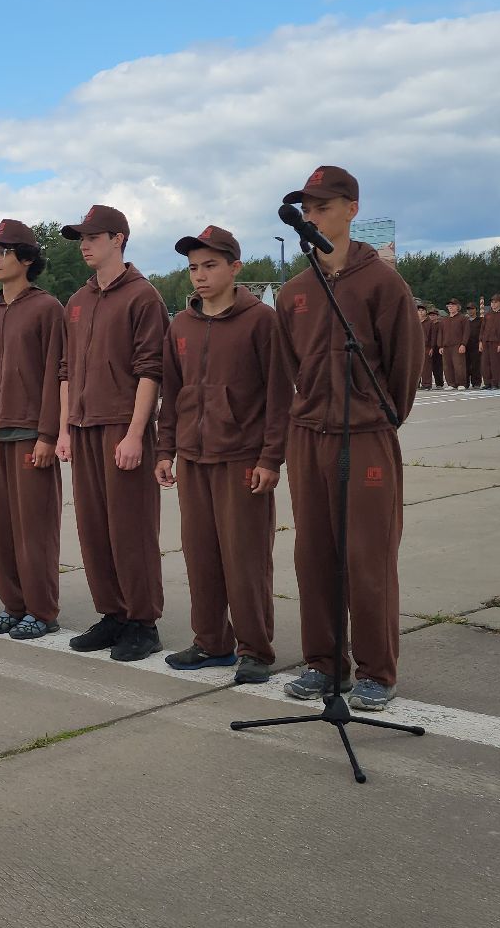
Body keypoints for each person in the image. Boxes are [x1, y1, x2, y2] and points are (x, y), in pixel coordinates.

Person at [274, 166, 423, 711]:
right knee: (314, 554)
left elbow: (404, 366)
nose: (312, 216)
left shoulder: (383, 283)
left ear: (351, 209)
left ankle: (376, 670)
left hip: (364, 434)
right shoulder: (294, 292)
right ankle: (324, 662)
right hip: (309, 435)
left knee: (368, 555)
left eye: (323, 206)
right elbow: (290, 367)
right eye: (306, 209)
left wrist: (374, 417)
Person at [155, 227, 292, 685]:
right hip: (193, 460)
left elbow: (279, 396)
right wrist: (165, 449)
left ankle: (255, 649)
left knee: (245, 560)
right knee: (201, 556)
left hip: (242, 460)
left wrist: (271, 458)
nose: (200, 275)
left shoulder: (261, 322)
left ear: (235, 268)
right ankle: (212, 642)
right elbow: (172, 394)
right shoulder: (181, 325)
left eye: (210, 265)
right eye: (193, 267)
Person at [57, 205, 167, 661]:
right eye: (81, 238)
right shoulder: (77, 302)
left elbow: (150, 370)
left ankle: (143, 621)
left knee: (130, 529)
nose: (84, 245)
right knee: (93, 529)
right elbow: (66, 371)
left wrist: (136, 434)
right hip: (83, 428)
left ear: (118, 239)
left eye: (93, 237)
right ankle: (113, 614)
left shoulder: (143, 297)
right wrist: (64, 428)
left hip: (121, 427)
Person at [0, 219, 66, 641]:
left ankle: (41, 610)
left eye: (3, 252)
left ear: (26, 258)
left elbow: (55, 373)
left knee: (34, 529)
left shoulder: (47, 309)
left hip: (30, 435)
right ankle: (14, 606)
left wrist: (48, 434)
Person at [440, 299, 472, 390]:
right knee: (447, 366)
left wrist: (463, 344)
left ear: (458, 307)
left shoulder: (463, 318)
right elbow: (441, 333)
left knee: (459, 365)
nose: (450, 307)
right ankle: (451, 383)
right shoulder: (444, 319)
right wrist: (440, 345)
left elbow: (466, 332)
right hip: (446, 345)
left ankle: (461, 383)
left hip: (457, 345)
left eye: (453, 305)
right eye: (449, 306)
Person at [416, 302, 439, 391]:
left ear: (426, 312)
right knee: (416, 367)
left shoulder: (430, 323)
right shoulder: (414, 322)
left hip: (426, 347)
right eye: (419, 310)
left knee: (426, 367)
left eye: (422, 310)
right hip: (416, 347)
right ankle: (416, 384)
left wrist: (432, 347)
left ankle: (427, 384)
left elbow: (433, 336)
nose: (421, 312)